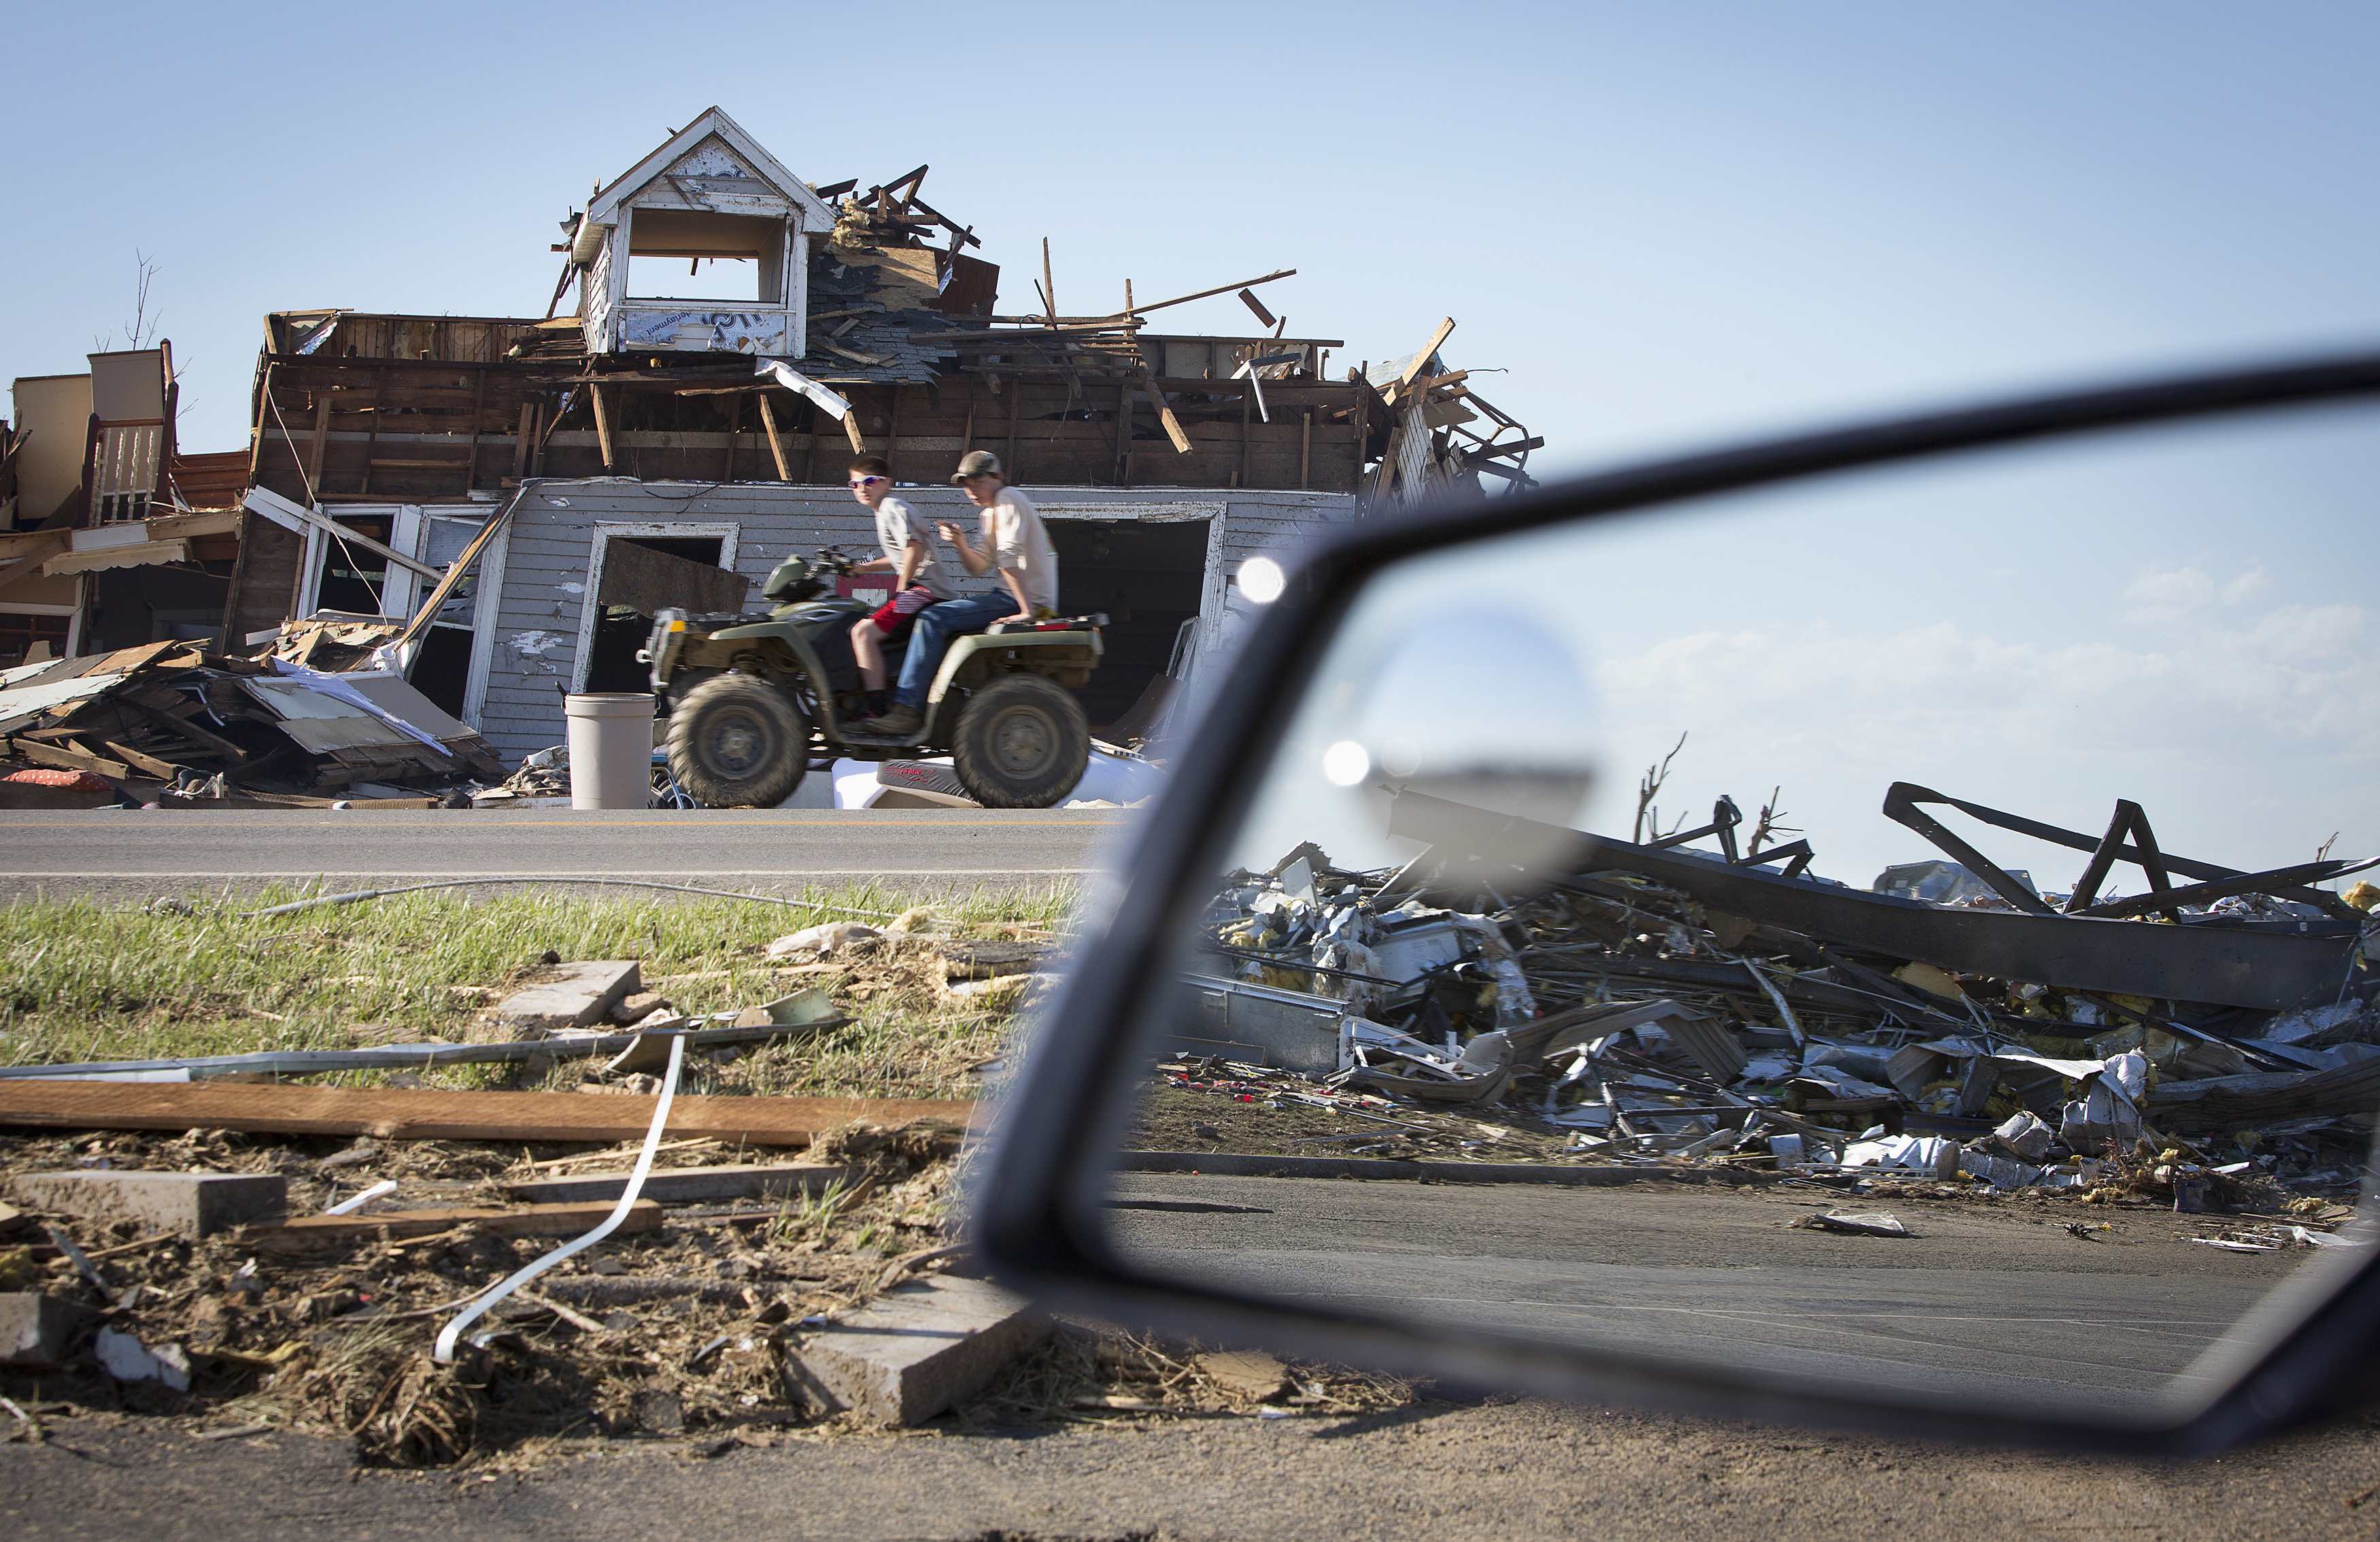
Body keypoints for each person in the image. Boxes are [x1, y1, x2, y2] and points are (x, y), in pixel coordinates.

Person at [860, 450, 1057, 737]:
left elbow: (1008, 557)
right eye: (966, 484)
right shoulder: (990, 513)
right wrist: (959, 543)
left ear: (998, 477)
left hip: (1020, 600)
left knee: (932, 619)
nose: (971, 490)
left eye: (978, 482)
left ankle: (907, 710)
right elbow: (978, 567)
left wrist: (1026, 611)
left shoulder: (1009, 498)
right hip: (1011, 597)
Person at [843, 455, 954, 718]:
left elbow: (914, 548)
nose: (862, 488)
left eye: (870, 481)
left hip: (924, 590)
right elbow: (899, 556)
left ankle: (877, 709)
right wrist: (861, 569)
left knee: (862, 633)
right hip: (921, 588)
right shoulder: (885, 510)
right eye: (855, 484)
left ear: (887, 483)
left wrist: (902, 588)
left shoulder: (892, 507)